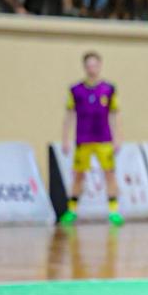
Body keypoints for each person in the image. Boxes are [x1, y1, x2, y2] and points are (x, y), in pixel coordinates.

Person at [60, 52, 122, 226]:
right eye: (89, 65)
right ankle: (71, 211)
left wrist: (118, 137)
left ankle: (114, 211)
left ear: (100, 66)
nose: (92, 68)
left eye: (95, 65)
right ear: (84, 67)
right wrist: (65, 138)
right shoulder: (76, 90)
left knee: (109, 173)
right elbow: (69, 115)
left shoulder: (109, 89)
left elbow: (115, 114)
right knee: (78, 175)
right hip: (83, 139)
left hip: (104, 139)